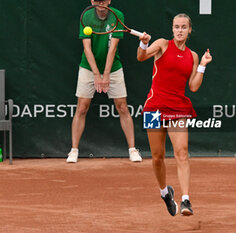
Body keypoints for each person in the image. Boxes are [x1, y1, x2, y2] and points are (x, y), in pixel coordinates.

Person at [136, 13, 212, 216]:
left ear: (189, 30)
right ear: (172, 29)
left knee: (182, 152)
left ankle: (186, 200)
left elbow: (193, 86)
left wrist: (203, 64)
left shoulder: (193, 56)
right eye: (176, 26)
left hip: (178, 109)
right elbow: (141, 57)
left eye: (183, 27)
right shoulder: (161, 44)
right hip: (154, 108)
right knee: (157, 157)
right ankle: (165, 193)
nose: (180, 30)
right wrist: (144, 44)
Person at [66, 0, 142, 163]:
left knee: (122, 107)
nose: (100, 3)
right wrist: (96, 74)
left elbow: (113, 48)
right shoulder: (86, 16)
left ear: (109, 1)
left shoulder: (117, 15)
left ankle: (132, 149)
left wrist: (106, 75)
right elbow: (86, 48)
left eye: (103, 0)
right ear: (92, 1)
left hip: (113, 67)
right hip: (88, 67)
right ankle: (74, 150)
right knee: (81, 107)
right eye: (96, 0)